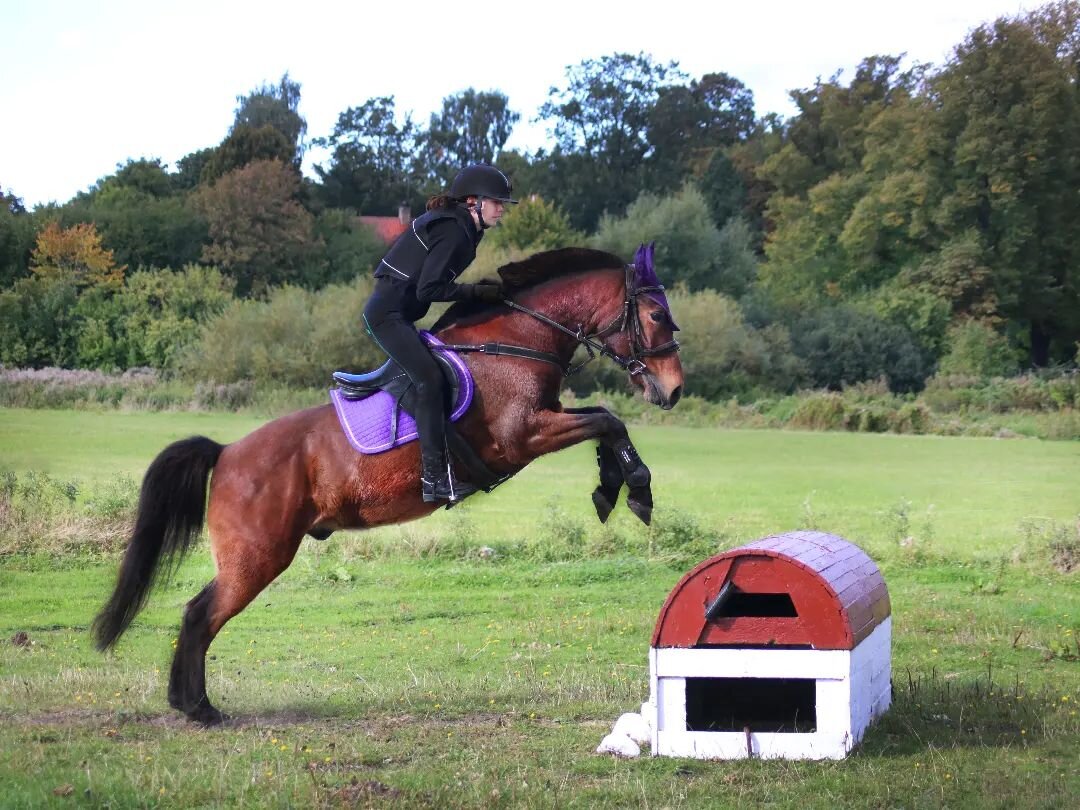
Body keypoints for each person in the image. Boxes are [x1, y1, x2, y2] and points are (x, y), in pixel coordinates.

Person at [353, 164, 516, 503]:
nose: (501, 209)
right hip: (387, 316)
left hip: (399, 316)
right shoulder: (455, 230)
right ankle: (434, 480)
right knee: (430, 380)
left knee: (438, 372)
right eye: (496, 202)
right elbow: (429, 290)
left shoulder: (463, 228)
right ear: (473, 201)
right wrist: (476, 293)